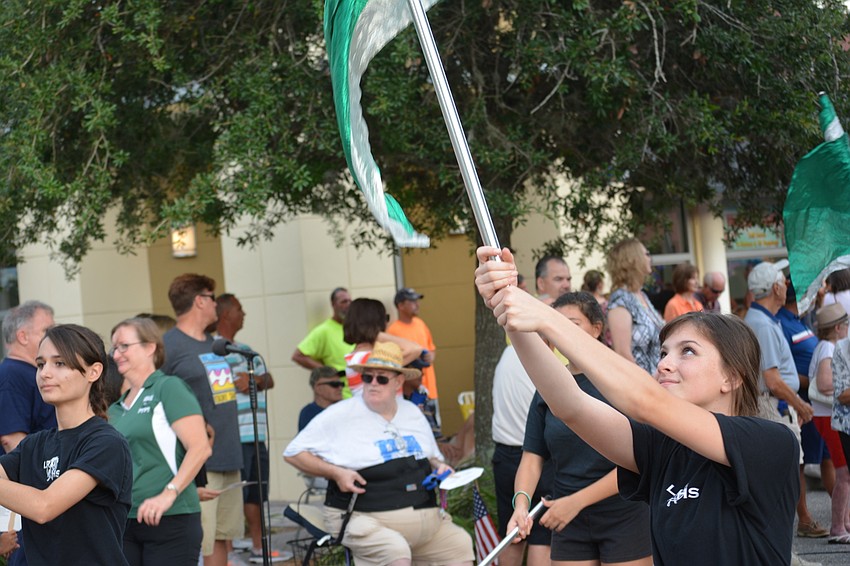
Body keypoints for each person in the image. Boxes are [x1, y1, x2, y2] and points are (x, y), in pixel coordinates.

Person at [474, 246, 799, 564]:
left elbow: (647, 402)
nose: (664, 364)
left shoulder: (770, 442)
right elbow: (570, 406)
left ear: (732, 377)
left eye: (687, 351)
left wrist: (543, 316)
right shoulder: (662, 448)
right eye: (663, 353)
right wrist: (512, 316)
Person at [284, 342, 474, 566]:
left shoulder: (412, 413)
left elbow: (431, 455)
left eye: (381, 378)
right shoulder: (341, 414)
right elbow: (293, 452)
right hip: (365, 519)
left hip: (426, 520)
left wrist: (439, 466)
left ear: (398, 382)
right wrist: (336, 473)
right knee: (396, 552)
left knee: (459, 544)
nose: (373, 384)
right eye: (368, 378)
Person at [511, 292, 651, 566]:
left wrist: (576, 502)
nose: (562, 332)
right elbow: (531, 457)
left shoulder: (620, 380)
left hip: (622, 513)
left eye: (572, 324)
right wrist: (521, 505)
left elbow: (640, 459)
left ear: (597, 329)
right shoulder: (548, 388)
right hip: (567, 517)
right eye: (555, 323)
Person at [0, 324, 133, 565]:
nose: (45, 373)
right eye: (40, 364)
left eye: (59, 363)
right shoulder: (34, 444)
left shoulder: (106, 443)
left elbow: (44, 507)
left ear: (93, 372)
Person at [108, 317, 211, 565]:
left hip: (171, 518)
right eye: (114, 348)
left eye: (124, 346)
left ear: (150, 347)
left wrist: (169, 493)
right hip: (127, 520)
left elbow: (200, 447)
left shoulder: (168, 387)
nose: (116, 354)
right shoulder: (116, 408)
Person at [743, 261, 828, 540]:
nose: (786, 286)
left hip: (776, 404)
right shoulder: (763, 324)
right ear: (776, 287)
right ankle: (779, 539)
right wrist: (800, 403)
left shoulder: (765, 318)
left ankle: (792, 530)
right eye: (783, 281)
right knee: (785, 470)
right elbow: (772, 379)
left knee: (790, 468)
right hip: (773, 405)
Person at [161, 274, 242, 566]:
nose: (216, 306)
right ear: (199, 301)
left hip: (228, 452)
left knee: (221, 537)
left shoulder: (215, 345)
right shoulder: (168, 346)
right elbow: (157, 398)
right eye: (212, 298)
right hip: (198, 459)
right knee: (201, 539)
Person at [213, 294, 290, 564]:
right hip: (234, 436)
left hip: (257, 434)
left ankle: (258, 546)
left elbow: (268, 378)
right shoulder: (213, 351)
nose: (243, 313)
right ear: (224, 315)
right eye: (238, 309)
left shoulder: (246, 351)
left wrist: (253, 379)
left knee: (258, 491)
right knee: (236, 492)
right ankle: (230, 550)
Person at [0, 301, 55, 566]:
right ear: (23, 336)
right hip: (26, 502)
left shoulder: (29, 373)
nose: (54, 336)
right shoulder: (13, 375)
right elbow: (12, 440)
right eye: (47, 329)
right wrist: (37, 494)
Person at [491, 344, 552, 566]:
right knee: (542, 539)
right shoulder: (543, 359)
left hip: (504, 456)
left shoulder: (508, 352)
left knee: (512, 536)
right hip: (537, 458)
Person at [807, 303, 850, 544]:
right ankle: (838, 527)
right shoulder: (829, 349)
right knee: (843, 473)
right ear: (837, 327)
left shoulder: (825, 346)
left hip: (825, 415)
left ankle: (843, 523)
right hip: (828, 415)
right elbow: (825, 384)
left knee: (843, 472)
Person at [605, 238, 663, 374]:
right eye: (646, 254)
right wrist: (648, 384)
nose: (650, 258)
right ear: (633, 260)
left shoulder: (641, 295)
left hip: (657, 381)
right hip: (642, 385)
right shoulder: (621, 300)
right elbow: (623, 353)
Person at [343, 298, 423, 395]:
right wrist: (377, 334)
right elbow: (415, 349)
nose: (387, 323)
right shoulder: (368, 358)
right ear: (377, 322)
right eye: (385, 318)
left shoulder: (355, 357)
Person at [387, 288, 439, 401]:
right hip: (409, 393)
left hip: (430, 390)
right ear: (400, 306)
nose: (417, 304)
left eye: (417, 301)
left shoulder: (420, 324)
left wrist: (431, 356)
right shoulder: (392, 331)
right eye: (412, 301)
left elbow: (432, 349)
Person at [292, 288, 353, 372]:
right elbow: (298, 356)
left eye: (350, 301)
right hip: (340, 383)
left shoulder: (356, 327)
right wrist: (327, 371)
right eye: (344, 302)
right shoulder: (324, 330)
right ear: (333, 304)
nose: (348, 305)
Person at [299, 366, 344, 431]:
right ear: (318, 388)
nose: (340, 388)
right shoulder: (309, 413)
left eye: (341, 384)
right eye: (334, 384)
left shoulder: (347, 409)